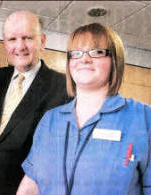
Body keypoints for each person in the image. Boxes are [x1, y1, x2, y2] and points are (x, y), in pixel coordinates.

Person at [17, 23, 151, 195]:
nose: (84, 59)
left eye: (97, 52)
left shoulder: (143, 118)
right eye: (76, 53)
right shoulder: (50, 120)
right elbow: (31, 183)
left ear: (115, 60)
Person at [0, 10, 68, 194]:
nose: (20, 46)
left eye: (27, 38)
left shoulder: (63, 87)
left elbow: (56, 154)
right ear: (4, 43)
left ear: (42, 41)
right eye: (12, 39)